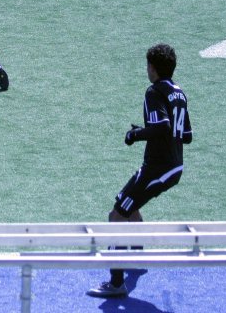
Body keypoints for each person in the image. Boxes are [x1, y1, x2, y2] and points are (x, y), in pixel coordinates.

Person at [87, 43, 193, 298]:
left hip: (158, 166)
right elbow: (186, 136)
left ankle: (115, 282)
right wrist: (153, 134)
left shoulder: (154, 91)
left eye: (148, 66)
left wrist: (136, 134)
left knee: (117, 214)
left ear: (154, 69)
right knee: (131, 204)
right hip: (173, 165)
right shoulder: (179, 93)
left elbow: (162, 127)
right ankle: (137, 253)